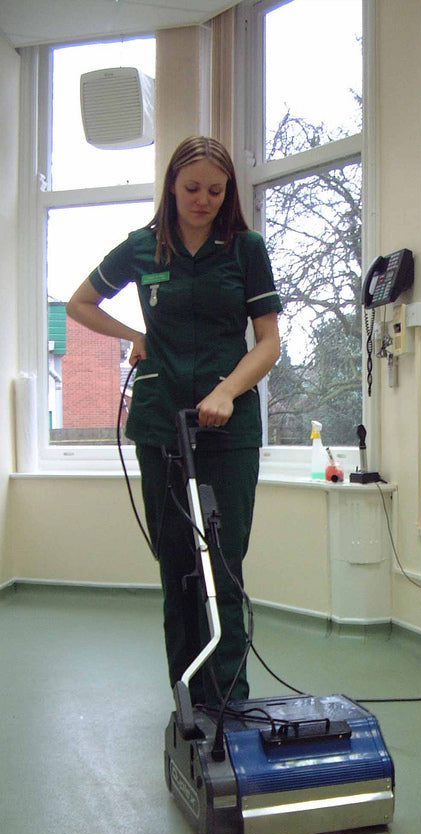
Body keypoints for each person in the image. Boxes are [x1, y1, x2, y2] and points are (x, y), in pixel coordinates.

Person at [67, 136, 282, 706]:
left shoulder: (244, 249)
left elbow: (268, 343)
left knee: (224, 562)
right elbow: (79, 303)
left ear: (228, 192)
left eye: (216, 190)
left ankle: (230, 698)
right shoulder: (143, 249)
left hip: (228, 430)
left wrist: (228, 391)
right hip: (161, 423)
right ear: (170, 186)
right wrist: (133, 336)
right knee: (179, 566)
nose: (203, 199)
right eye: (192, 188)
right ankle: (187, 696)